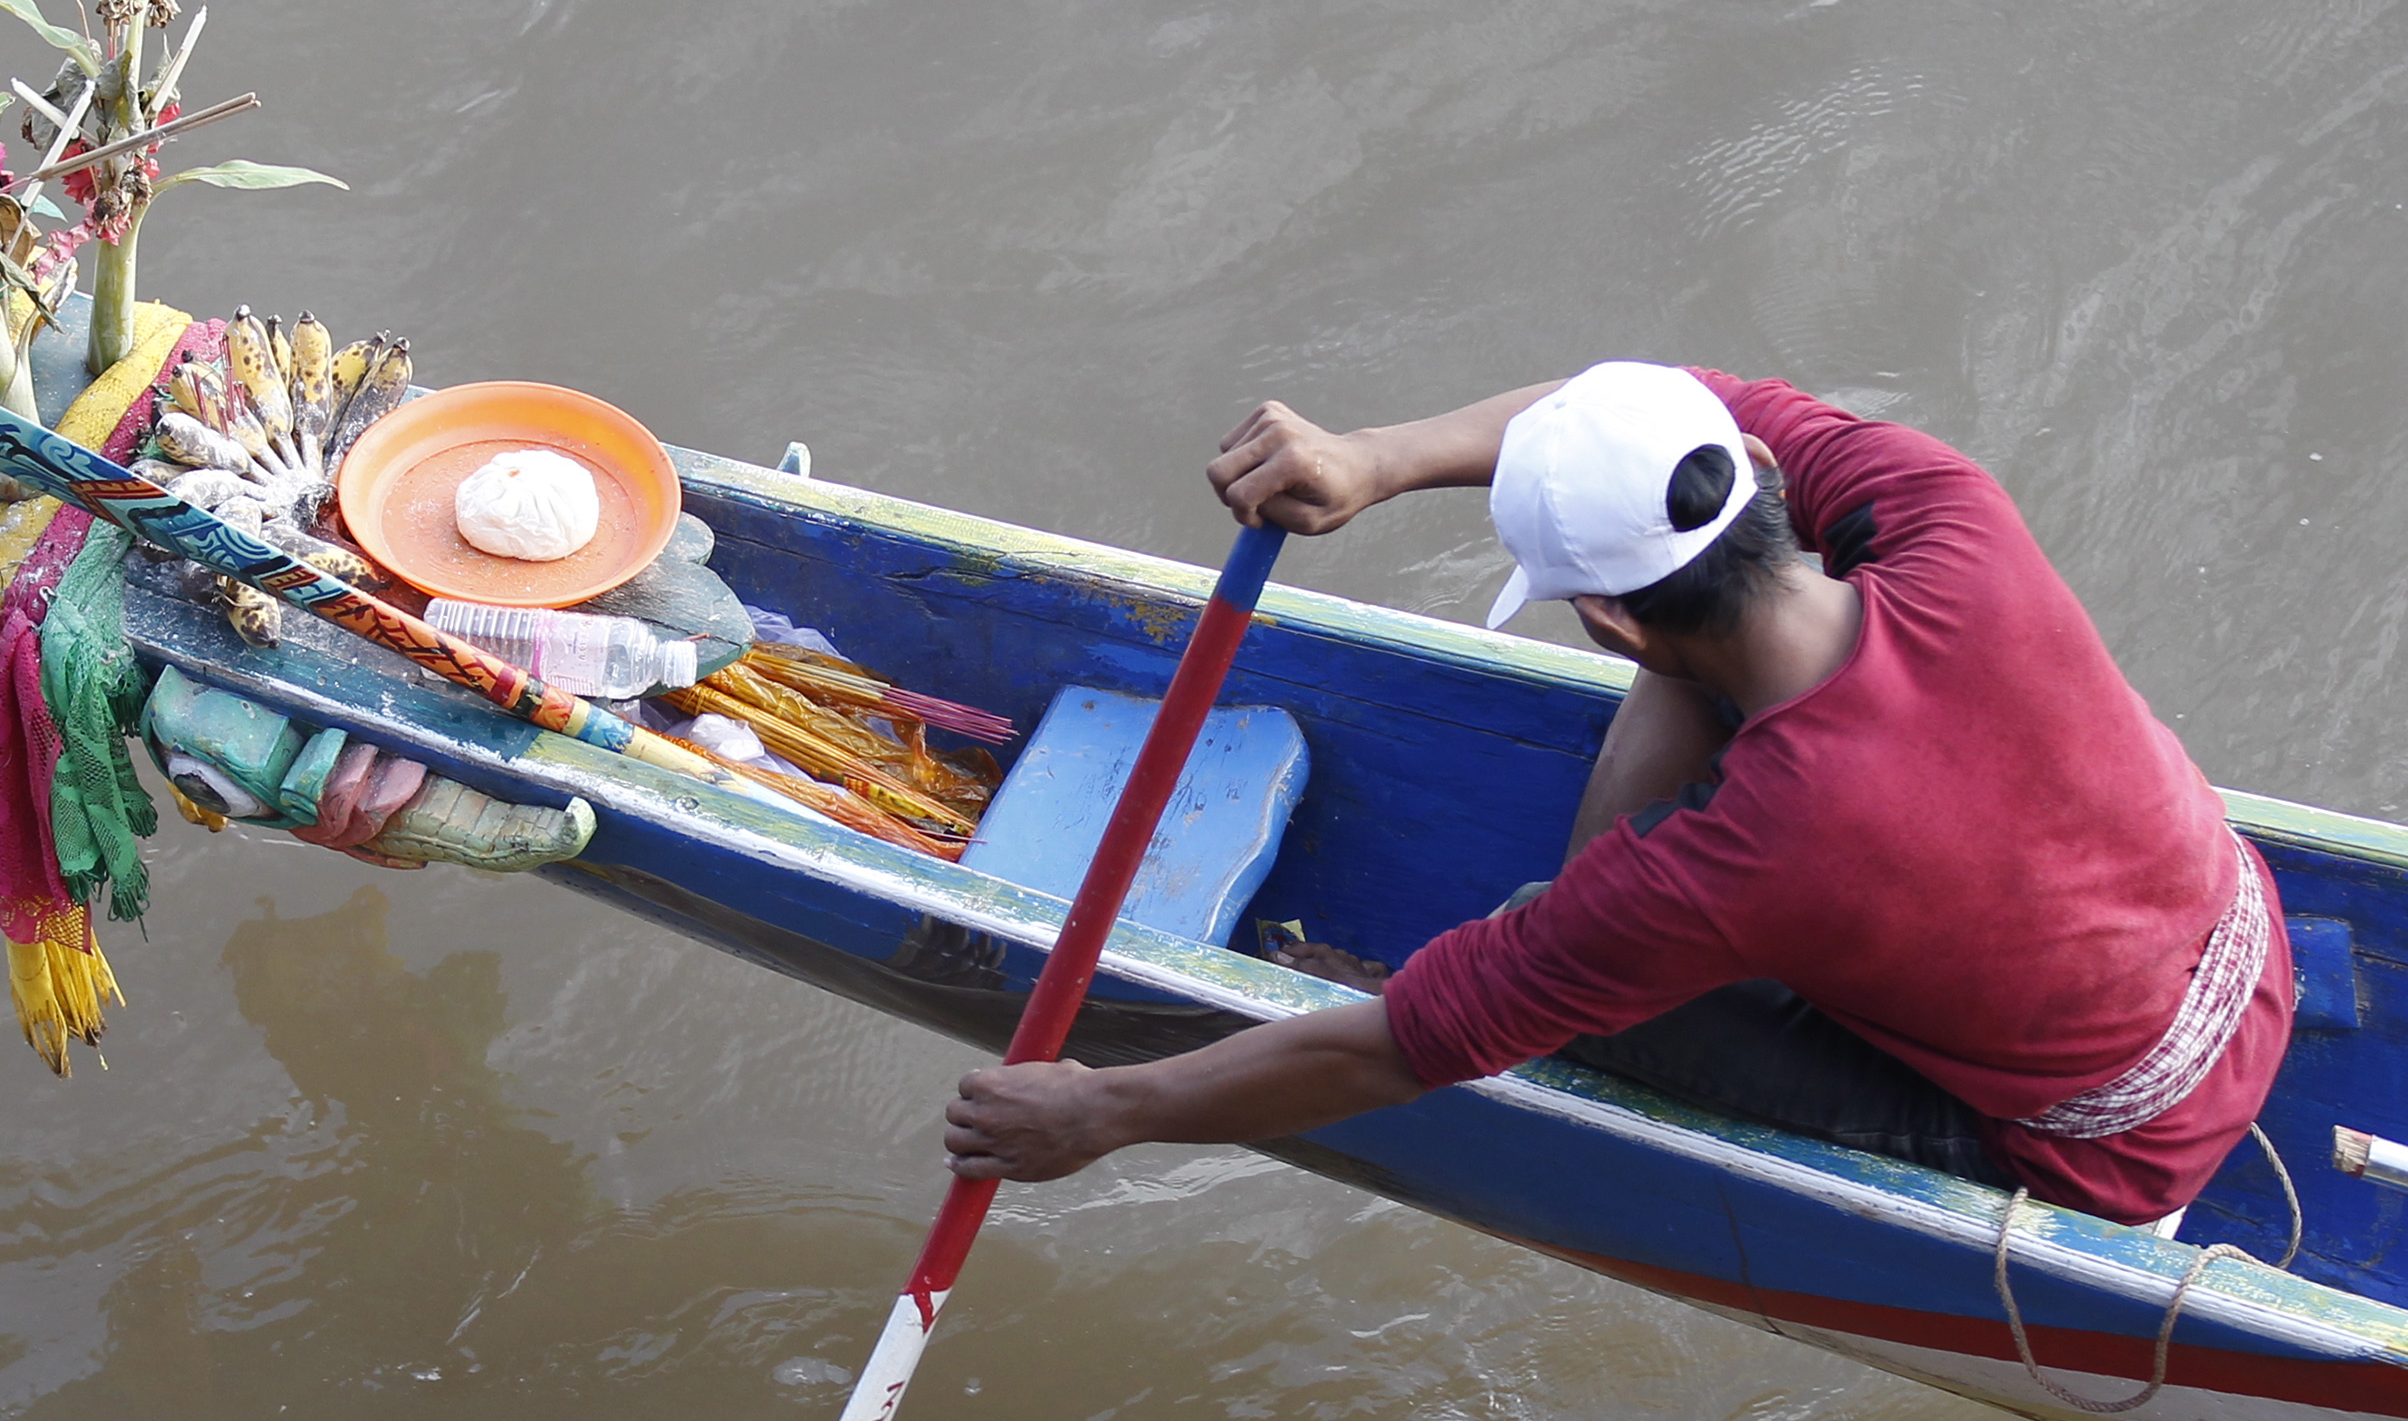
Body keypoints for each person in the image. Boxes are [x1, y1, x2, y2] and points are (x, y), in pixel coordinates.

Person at [940, 362, 2292, 1227]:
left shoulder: (1753, 849)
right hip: (2250, 937)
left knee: (1568, 956)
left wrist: (1105, 1112)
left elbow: (1405, 1043)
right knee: (1639, 870)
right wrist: (1373, 457)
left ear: (1608, 623)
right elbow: (1664, 396)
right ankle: (1615, 862)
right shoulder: (1949, 512)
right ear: (1752, 480)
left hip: (2115, 1147)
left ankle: (1600, 877)